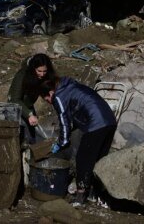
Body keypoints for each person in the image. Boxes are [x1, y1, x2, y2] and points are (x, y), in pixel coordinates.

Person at [39, 76, 117, 207]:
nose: (48, 101)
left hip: (96, 123)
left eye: (46, 98)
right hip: (110, 121)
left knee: (83, 158)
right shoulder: (71, 87)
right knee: (99, 159)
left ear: (51, 92)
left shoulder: (58, 97)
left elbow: (64, 122)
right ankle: (97, 194)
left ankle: (80, 196)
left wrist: (60, 143)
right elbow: (76, 114)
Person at [7, 53, 56, 145]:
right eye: (39, 71)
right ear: (33, 68)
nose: (42, 74)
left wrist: (48, 95)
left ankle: (33, 148)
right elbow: (15, 99)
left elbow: (44, 87)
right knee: (18, 132)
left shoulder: (45, 75)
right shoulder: (22, 76)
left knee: (32, 130)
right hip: (16, 105)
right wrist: (29, 114)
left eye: (44, 71)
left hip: (28, 103)